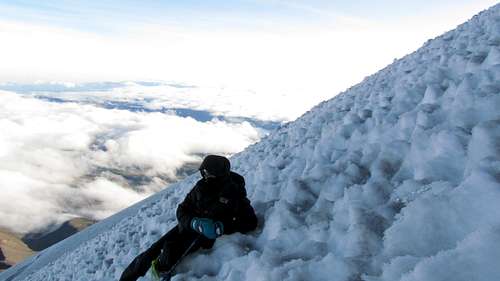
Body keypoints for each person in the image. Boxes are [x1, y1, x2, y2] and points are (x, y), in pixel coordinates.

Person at [120, 155, 258, 281]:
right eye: (204, 172)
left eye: (208, 172)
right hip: (190, 225)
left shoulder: (234, 192)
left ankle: (159, 271)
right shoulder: (201, 187)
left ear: (219, 174)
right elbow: (182, 209)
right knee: (150, 252)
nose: (205, 175)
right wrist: (193, 222)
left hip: (203, 233)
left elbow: (250, 221)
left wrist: (221, 228)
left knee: (169, 251)